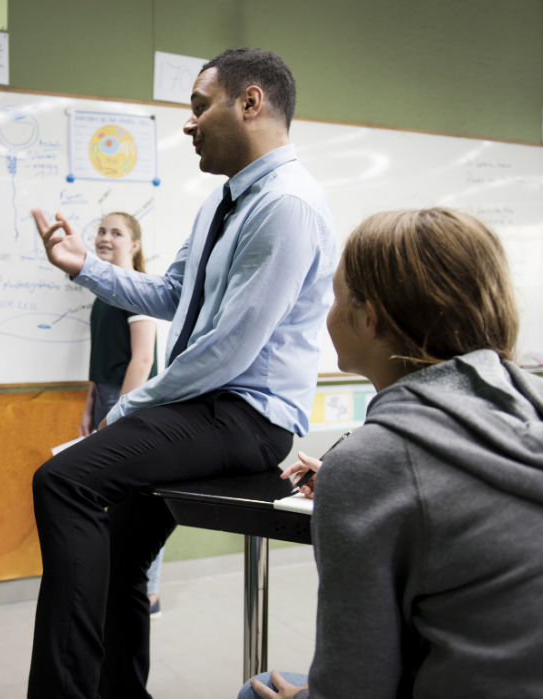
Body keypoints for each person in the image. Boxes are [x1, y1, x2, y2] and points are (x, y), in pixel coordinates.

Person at [27, 47, 338, 698]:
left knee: (63, 480)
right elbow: (174, 294)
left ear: (250, 103)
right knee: (117, 546)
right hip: (206, 408)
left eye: (199, 107)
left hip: (247, 418)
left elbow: (227, 349)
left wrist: (128, 409)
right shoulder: (219, 204)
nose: (189, 125)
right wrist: (84, 265)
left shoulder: (287, 205)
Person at [240, 208, 543, 699]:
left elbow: (354, 685)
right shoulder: (539, 405)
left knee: (256, 689)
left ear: (372, 317)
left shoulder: (372, 463)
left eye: (335, 297)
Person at [79, 212, 165, 617]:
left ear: (134, 245)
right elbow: (103, 357)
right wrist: (90, 405)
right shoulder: (104, 291)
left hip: (130, 400)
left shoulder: (138, 289)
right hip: (107, 397)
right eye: (100, 231)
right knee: (112, 499)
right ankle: (120, 585)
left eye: (116, 232)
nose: (105, 237)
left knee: (136, 501)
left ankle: (148, 593)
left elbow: (143, 358)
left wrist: (117, 414)